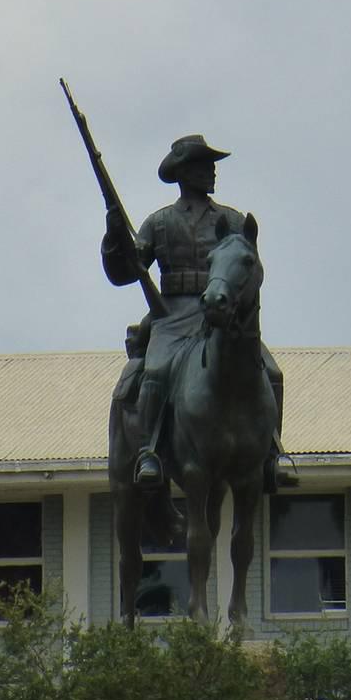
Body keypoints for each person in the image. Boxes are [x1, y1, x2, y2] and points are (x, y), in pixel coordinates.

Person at [103, 134, 294, 491]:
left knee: (272, 372)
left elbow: (249, 266)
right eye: (203, 166)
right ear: (183, 173)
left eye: (212, 166)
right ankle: (149, 451)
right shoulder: (159, 222)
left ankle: (271, 454)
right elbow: (125, 272)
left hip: (222, 313)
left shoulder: (232, 221)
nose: (212, 172)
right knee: (155, 370)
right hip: (172, 314)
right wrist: (115, 238)